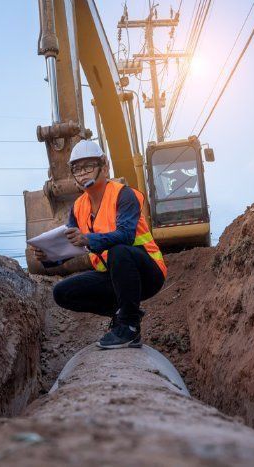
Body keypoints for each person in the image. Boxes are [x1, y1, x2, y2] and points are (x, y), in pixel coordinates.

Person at [31, 140, 167, 349]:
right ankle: (124, 310)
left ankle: (129, 327)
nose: (82, 173)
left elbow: (126, 236)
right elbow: (71, 243)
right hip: (114, 277)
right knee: (62, 293)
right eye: (77, 168)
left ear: (104, 168)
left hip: (147, 273)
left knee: (119, 250)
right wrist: (49, 256)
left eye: (88, 166)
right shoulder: (78, 207)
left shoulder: (124, 195)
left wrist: (89, 239)